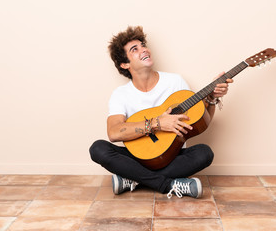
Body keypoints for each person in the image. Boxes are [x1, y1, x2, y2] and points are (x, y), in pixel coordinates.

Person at [89, 26, 233, 199]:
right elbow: (113, 133)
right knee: (98, 148)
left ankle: (134, 179)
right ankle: (168, 185)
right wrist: (158, 123)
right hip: (137, 157)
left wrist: (211, 99)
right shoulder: (121, 94)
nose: (144, 49)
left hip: (171, 156)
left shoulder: (175, 82)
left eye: (143, 45)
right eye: (135, 49)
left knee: (204, 153)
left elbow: (203, 122)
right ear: (124, 64)